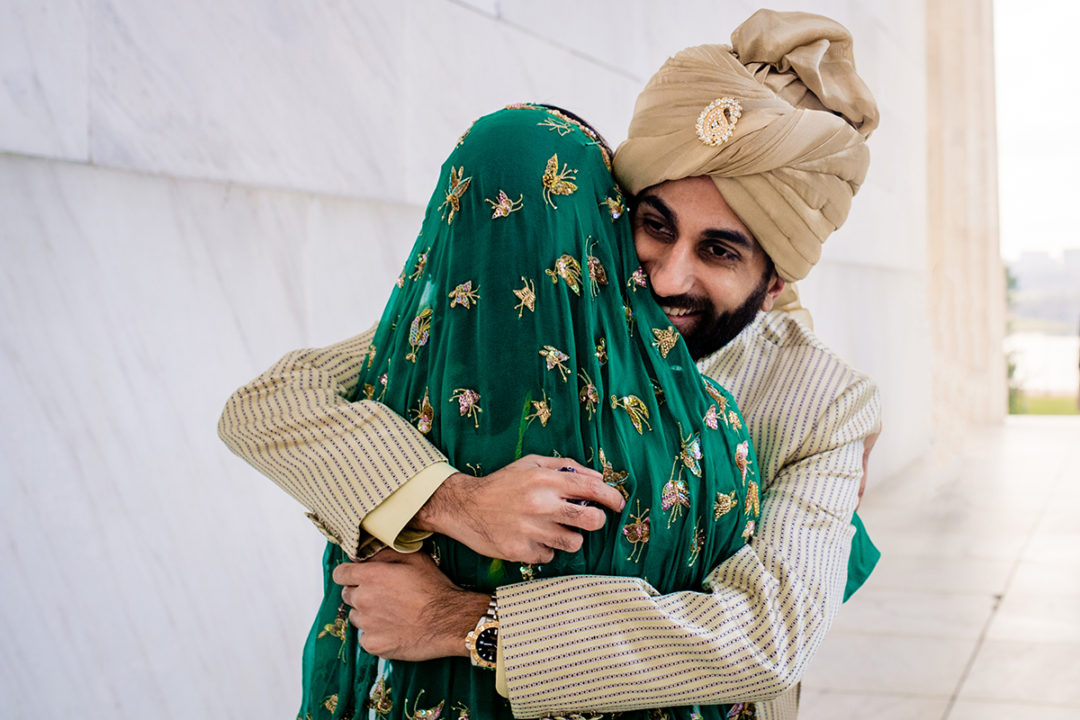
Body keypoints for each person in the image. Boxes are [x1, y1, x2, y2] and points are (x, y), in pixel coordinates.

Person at [219, 9, 881, 719]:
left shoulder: (823, 401)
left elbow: (765, 635)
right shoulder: (561, 308)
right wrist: (455, 503)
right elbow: (269, 404)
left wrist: (459, 621)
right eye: (654, 226)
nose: (666, 278)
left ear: (774, 282)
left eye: (720, 251)